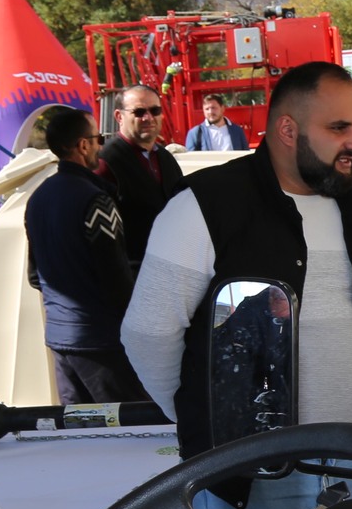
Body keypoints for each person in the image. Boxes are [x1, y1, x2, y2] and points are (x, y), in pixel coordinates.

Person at [121, 61, 352, 509]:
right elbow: (149, 333)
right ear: (288, 129)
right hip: (248, 473)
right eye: (338, 127)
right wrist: (210, 419)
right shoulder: (205, 206)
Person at [25, 108, 149, 406]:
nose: (100, 146)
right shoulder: (97, 201)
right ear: (83, 145)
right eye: (98, 139)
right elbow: (116, 279)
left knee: (79, 427)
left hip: (59, 337)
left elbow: (34, 276)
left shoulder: (37, 198)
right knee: (130, 422)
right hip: (100, 341)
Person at [97, 85, 185, 266]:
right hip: (131, 270)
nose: (148, 118)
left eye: (155, 111)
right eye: (139, 112)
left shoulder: (166, 158)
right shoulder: (106, 162)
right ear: (119, 117)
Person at [184, 95, 249, 152]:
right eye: (207, 109)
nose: (210, 112)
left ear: (222, 108)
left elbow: (245, 154)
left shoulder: (237, 131)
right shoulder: (195, 133)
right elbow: (190, 158)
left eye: (213, 108)